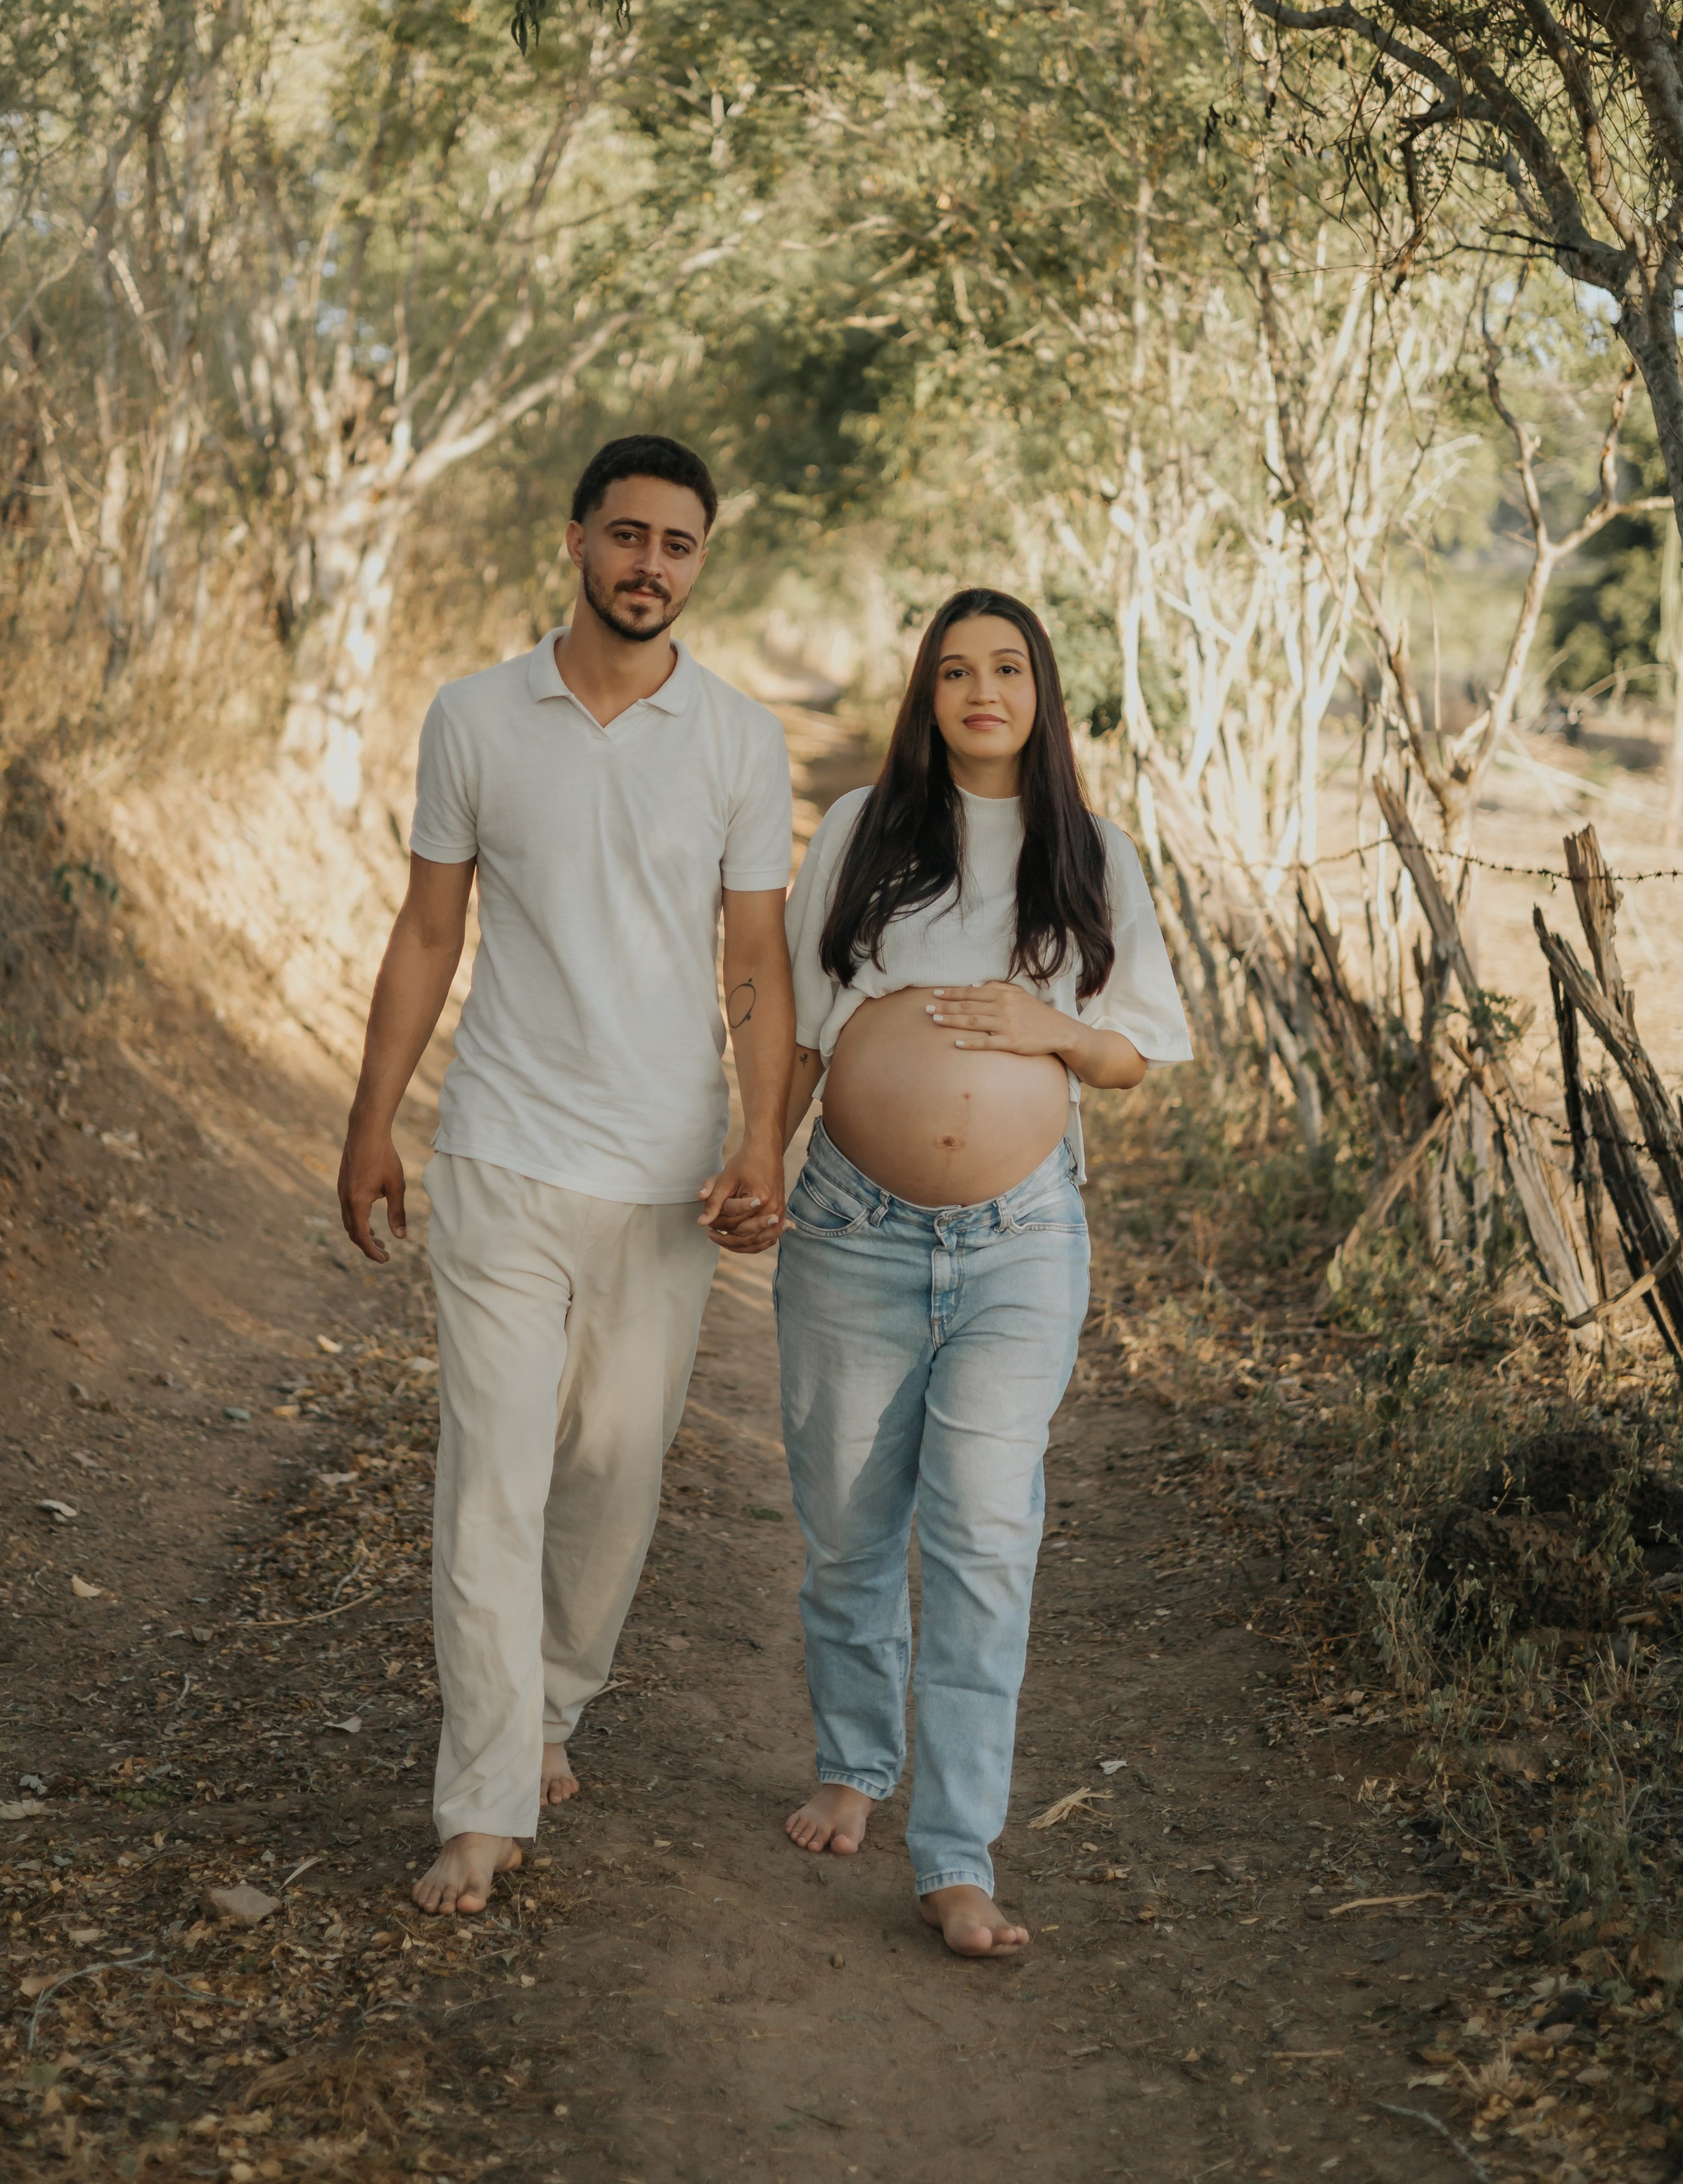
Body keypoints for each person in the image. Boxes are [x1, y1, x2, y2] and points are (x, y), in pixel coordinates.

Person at [336, 433, 795, 1917]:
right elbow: (428, 932)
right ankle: (480, 1800)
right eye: (627, 534)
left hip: (663, 1173)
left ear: (700, 561)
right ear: (579, 541)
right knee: (492, 1478)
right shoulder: (475, 717)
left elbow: (753, 957)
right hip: (502, 1150)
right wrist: (372, 1120)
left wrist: (759, 1137)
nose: (649, 564)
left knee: (610, 1473)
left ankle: (549, 1702)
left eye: (677, 543)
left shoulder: (737, 739)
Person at [775, 588, 1191, 1957]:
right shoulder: (862, 832)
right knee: (848, 1530)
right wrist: (752, 1155)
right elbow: (800, 1028)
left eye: (1006, 668)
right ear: (927, 695)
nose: (981, 691)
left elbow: (1134, 1051)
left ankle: (957, 1856)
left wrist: (1047, 1028)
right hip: (853, 1231)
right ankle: (854, 1761)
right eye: (954, 671)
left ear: (1040, 693)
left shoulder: (1091, 854)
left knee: (983, 1536)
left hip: (1020, 1242)